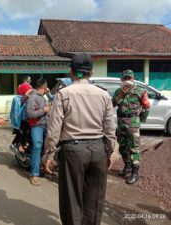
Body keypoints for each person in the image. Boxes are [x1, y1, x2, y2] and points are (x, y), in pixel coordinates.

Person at [44, 53, 116, 225]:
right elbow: (110, 128)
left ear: (71, 71)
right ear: (90, 72)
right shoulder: (103, 94)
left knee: (72, 200)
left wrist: (49, 154)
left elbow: (54, 129)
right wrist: (109, 152)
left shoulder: (63, 94)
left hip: (73, 151)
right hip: (99, 150)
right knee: (95, 200)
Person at [112, 70, 150, 185]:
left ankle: (135, 172)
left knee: (133, 148)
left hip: (133, 123)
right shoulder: (118, 91)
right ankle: (127, 167)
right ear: (121, 80)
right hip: (121, 123)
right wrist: (121, 95)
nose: (127, 80)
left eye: (129, 78)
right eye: (125, 78)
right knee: (122, 147)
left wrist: (139, 120)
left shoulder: (140, 91)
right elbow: (113, 103)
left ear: (133, 79)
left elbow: (146, 107)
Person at [26, 78, 50, 186]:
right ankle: (34, 174)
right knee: (37, 146)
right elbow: (30, 114)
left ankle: (42, 166)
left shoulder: (43, 97)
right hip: (37, 126)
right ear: (43, 87)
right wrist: (43, 110)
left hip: (46, 125)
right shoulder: (33, 97)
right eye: (45, 88)